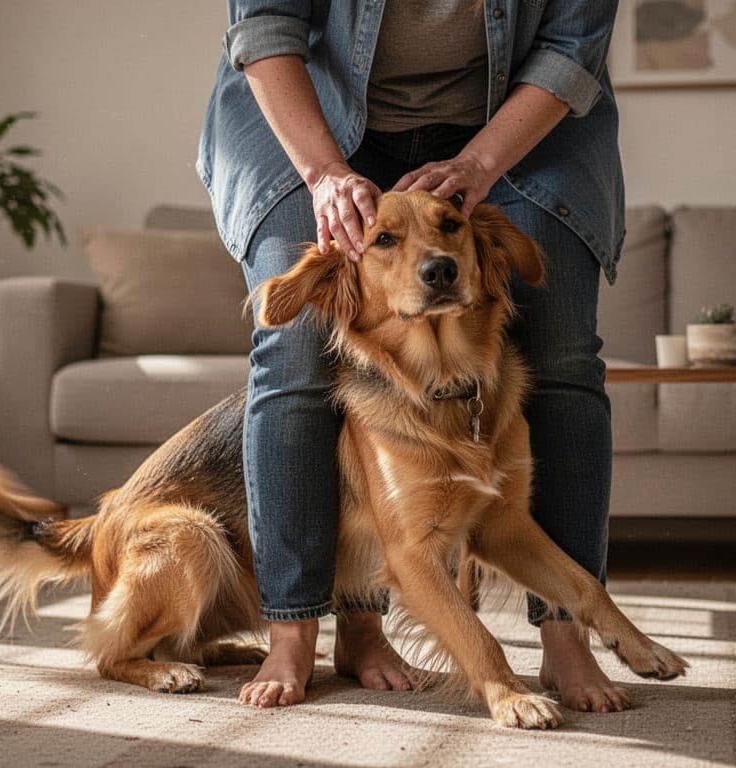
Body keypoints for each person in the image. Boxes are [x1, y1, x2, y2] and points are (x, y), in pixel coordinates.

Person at [197, 0, 627, 713]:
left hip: (523, 117)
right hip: (305, 108)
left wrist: (481, 162)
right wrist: (324, 171)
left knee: (561, 352)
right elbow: (266, 26)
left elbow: (571, 41)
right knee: (295, 355)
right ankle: (296, 626)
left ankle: (566, 635)